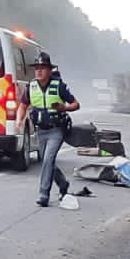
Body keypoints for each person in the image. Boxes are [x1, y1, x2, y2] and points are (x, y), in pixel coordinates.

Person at [23, 52, 80, 208]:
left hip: (56, 130)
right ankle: (63, 184)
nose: (39, 71)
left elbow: (76, 104)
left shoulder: (59, 86)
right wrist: (19, 121)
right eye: (37, 68)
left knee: (48, 159)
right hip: (40, 130)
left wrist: (64, 108)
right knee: (47, 162)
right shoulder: (31, 87)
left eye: (42, 68)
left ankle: (43, 194)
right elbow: (23, 104)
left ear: (49, 70)